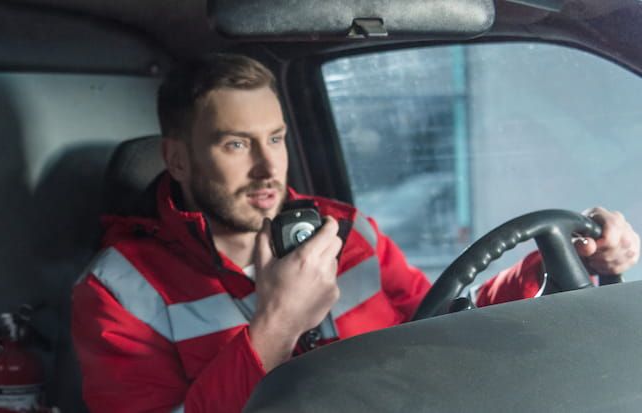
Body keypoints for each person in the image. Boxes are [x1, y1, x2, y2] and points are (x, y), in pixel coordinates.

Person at [70, 53, 640, 413]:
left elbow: (442, 328)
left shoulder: (346, 229)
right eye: (236, 144)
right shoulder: (120, 290)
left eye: (275, 138)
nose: (269, 170)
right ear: (178, 160)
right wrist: (275, 329)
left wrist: (555, 263)